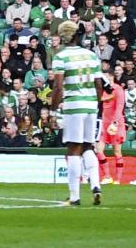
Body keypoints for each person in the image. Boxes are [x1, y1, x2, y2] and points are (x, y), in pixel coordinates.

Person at [51, 24, 108, 207]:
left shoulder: (60, 57)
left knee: (73, 149)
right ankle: (96, 186)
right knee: (88, 146)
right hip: (91, 104)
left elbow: (58, 87)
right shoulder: (91, 55)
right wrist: (95, 105)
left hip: (74, 105)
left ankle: (74, 196)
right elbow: (99, 84)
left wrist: (53, 112)